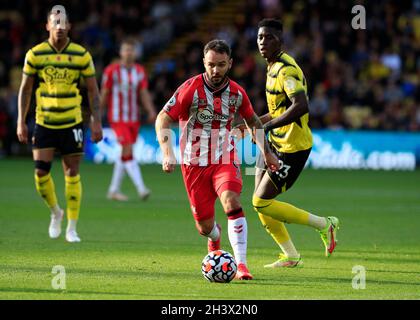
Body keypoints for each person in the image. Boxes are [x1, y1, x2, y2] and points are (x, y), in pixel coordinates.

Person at [155, 39, 279, 280]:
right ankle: (215, 238)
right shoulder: (189, 89)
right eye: (211, 64)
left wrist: (267, 152)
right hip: (194, 164)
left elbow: (253, 121)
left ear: (230, 63)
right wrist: (167, 151)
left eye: (221, 65)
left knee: (231, 202)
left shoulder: (237, 93)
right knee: (204, 227)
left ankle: (241, 265)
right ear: (204, 62)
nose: (215, 70)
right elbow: (163, 117)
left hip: (224, 158)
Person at [250, 18, 340, 267]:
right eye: (259, 37)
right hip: (274, 142)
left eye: (268, 37)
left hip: (293, 148)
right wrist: (257, 122)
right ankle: (290, 255)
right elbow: (279, 109)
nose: (262, 42)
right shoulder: (271, 68)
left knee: (261, 201)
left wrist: (265, 126)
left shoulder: (286, 70)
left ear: (280, 40)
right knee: (260, 204)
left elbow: (300, 106)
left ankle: (324, 224)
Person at [16, 6, 103, 243]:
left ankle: (72, 228)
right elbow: (25, 89)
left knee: (72, 172)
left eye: (64, 23)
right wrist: (21, 121)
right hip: (44, 121)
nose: (60, 27)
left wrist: (96, 121)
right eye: (56, 22)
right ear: (47, 26)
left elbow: (93, 91)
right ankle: (56, 212)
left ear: (70, 27)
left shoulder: (81, 55)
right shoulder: (35, 54)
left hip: (72, 121)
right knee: (40, 173)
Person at [101, 38, 157, 201]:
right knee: (127, 150)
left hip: (133, 118)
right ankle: (141, 189)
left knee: (123, 154)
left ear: (135, 53)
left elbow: (143, 93)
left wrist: (150, 110)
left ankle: (113, 190)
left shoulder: (139, 71)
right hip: (117, 117)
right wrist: (97, 113)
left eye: (131, 50)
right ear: (120, 52)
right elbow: (104, 93)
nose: (128, 53)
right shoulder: (111, 71)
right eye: (126, 50)